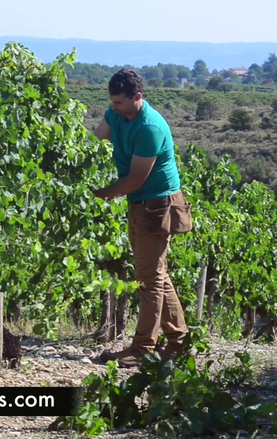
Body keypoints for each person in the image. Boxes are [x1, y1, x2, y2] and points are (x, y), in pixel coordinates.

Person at [91, 69, 191, 368]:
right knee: (157, 275)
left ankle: (144, 348)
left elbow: (135, 179)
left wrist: (98, 194)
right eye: (111, 102)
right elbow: (94, 144)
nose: (114, 107)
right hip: (140, 203)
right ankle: (179, 342)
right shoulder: (115, 115)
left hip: (157, 206)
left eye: (120, 102)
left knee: (149, 280)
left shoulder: (150, 128)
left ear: (138, 97)